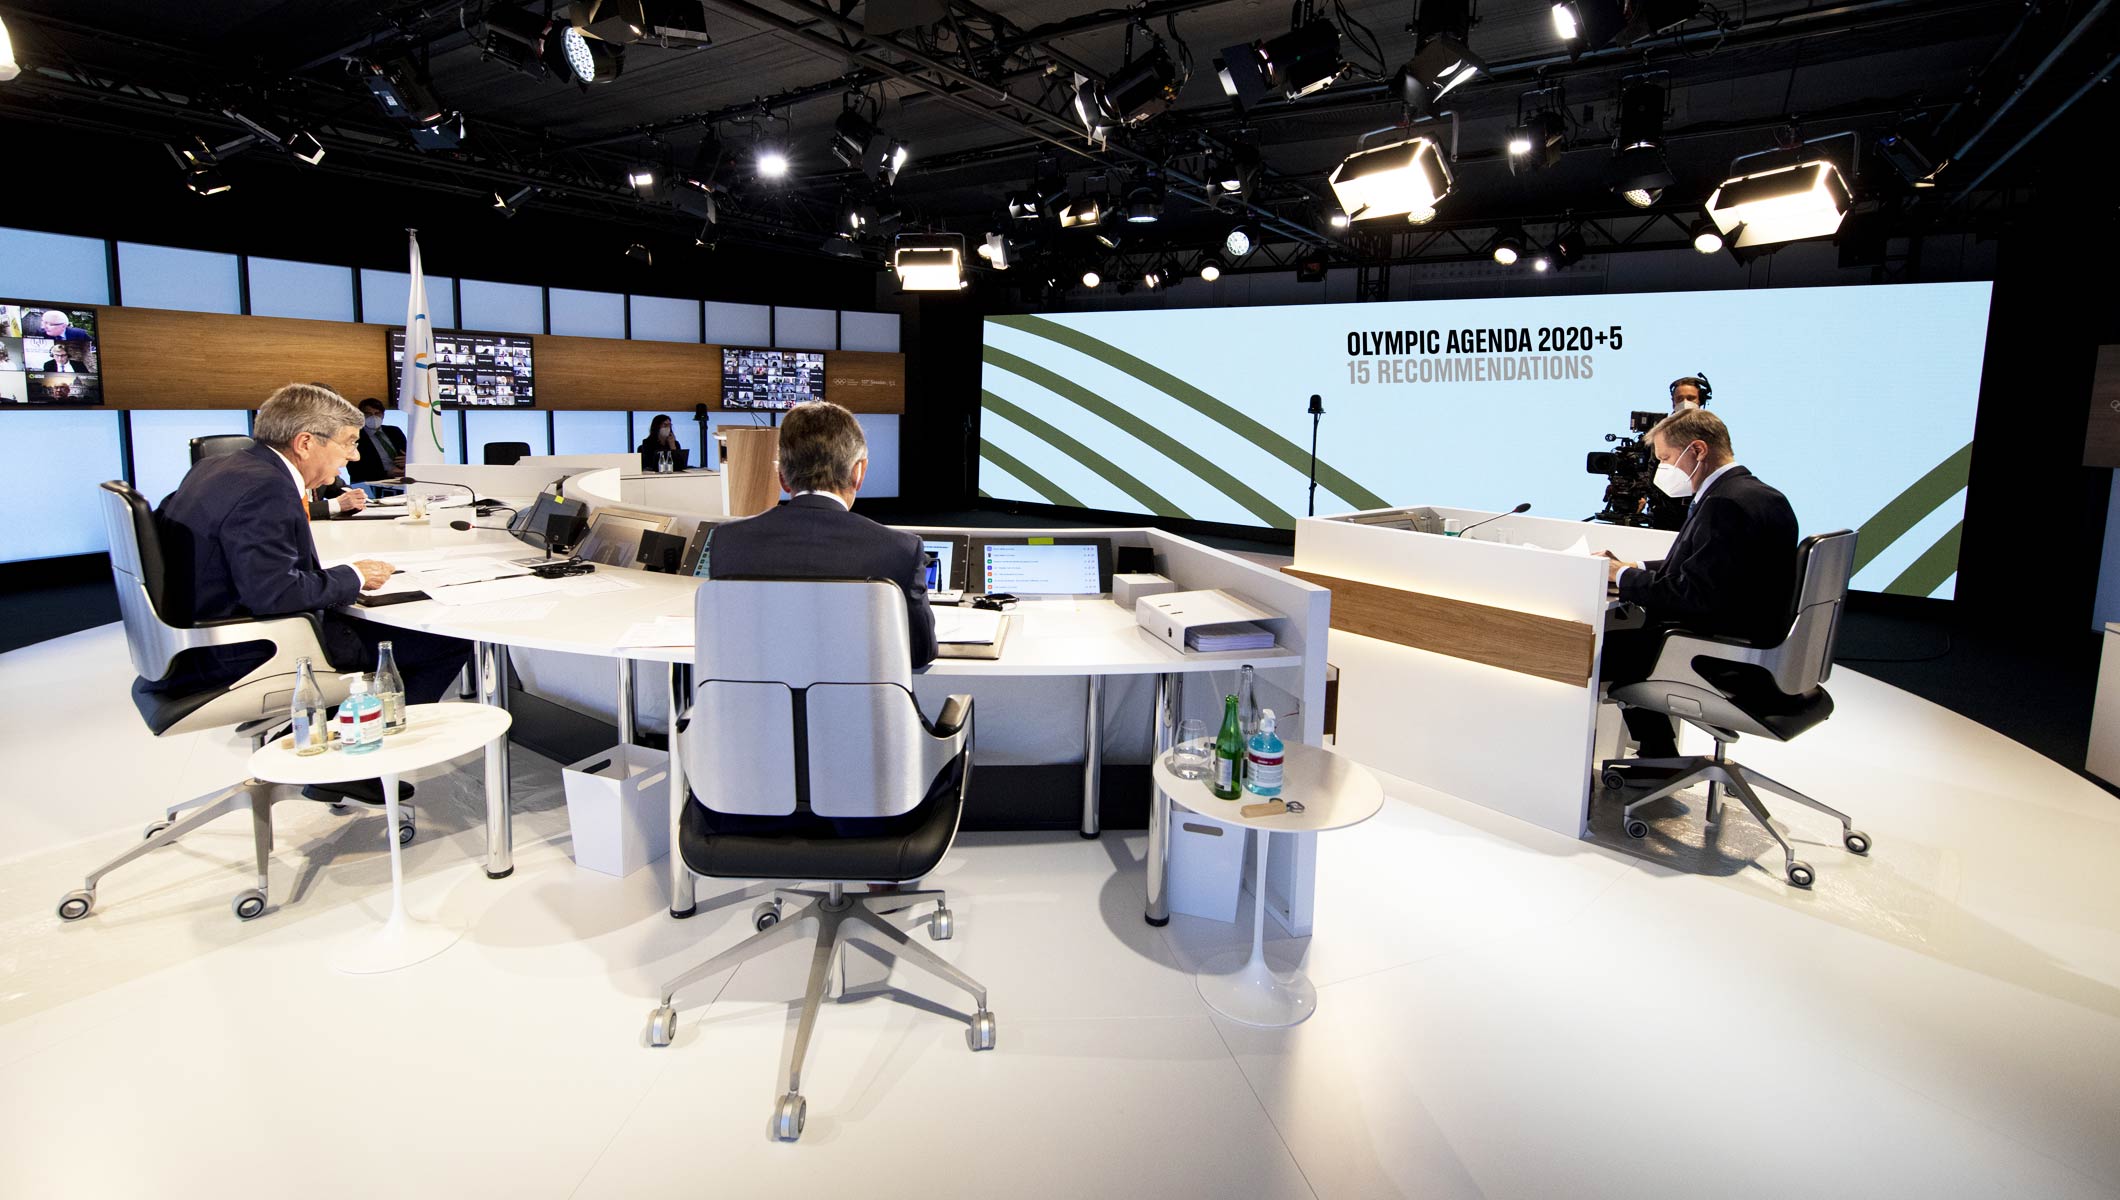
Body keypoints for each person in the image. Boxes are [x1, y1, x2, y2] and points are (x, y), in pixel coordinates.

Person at [154, 384, 471, 724]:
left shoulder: (216, 466)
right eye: (349, 442)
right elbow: (276, 594)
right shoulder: (267, 488)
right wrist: (355, 575)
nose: (354, 456)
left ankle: (323, 729)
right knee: (449, 641)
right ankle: (354, 752)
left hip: (197, 637)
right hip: (247, 648)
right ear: (305, 443)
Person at [1597, 407, 1798, 765]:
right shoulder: (1761, 495)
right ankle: (1657, 755)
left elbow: (1691, 593)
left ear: (1698, 450)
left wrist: (1623, 578)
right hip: (1753, 645)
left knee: (1591, 650)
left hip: (1719, 654)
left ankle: (1644, 758)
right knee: (1629, 642)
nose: (1662, 469)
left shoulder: (1725, 503)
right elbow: (1709, 569)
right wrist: (1632, 568)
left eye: (1666, 459)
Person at [707, 399, 936, 667]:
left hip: (757, 694)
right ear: (858, 472)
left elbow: (727, 643)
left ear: (782, 476)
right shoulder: (900, 550)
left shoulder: (728, 541)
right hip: (857, 695)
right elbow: (920, 652)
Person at [349, 396, 407, 483]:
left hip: (401, 480)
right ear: (360, 416)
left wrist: (408, 460)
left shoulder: (394, 431)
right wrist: (386, 474)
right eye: (368, 414)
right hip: (371, 483)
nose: (373, 417)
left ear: (383, 415)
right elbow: (355, 470)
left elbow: (409, 454)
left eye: (377, 413)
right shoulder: (354, 437)